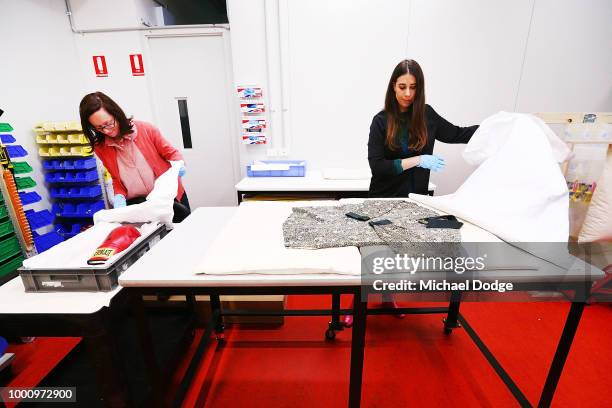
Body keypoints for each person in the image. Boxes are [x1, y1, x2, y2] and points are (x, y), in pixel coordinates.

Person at [343, 59, 478, 327]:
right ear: (393, 86)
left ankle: (387, 297)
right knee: (374, 254)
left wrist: (497, 128)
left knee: (399, 253)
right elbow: (378, 167)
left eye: (413, 87)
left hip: (414, 200)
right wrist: (417, 160)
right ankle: (355, 303)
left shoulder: (427, 115)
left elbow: (459, 133)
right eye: (402, 86)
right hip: (383, 200)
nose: (407, 94)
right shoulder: (381, 121)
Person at [79, 92, 190, 223]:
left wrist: (179, 164)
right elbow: (116, 178)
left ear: (116, 113)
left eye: (108, 123)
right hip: (139, 205)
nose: (107, 131)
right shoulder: (101, 147)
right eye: (100, 128)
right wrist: (119, 195)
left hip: (168, 199)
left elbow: (172, 153)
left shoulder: (146, 129)